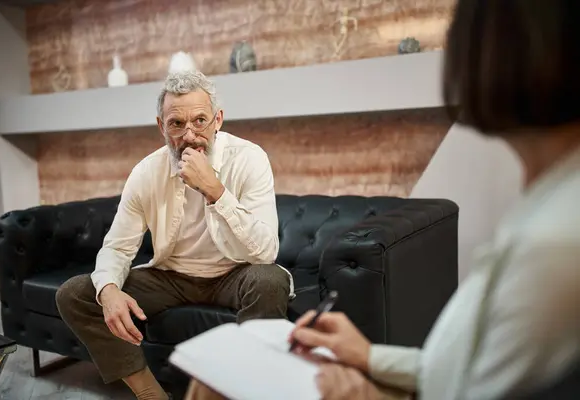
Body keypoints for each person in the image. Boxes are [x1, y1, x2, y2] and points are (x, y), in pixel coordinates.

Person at [187, 0, 580, 399]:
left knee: (211, 387)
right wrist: (369, 356)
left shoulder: (554, 245)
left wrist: (365, 395)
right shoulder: (547, 210)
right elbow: (462, 370)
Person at [56, 70, 293, 400]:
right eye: (177, 124)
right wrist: (108, 290)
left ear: (218, 120)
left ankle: (243, 392)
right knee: (77, 293)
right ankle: (151, 394)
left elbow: (266, 252)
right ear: (161, 126)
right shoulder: (146, 172)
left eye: (200, 120)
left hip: (234, 273)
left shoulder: (250, 158)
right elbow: (117, 245)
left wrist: (214, 190)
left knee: (269, 281)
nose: (190, 134)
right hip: (171, 277)